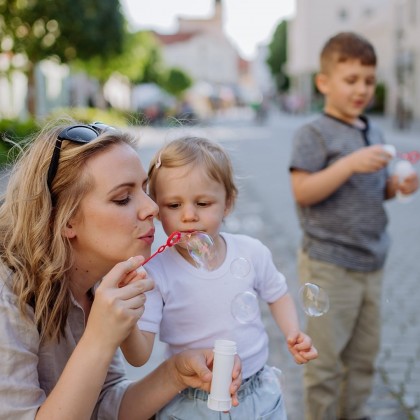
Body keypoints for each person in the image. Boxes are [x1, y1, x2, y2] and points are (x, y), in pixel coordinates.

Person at [0, 119, 242, 420]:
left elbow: (103, 405)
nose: (152, 208)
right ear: (64, 220)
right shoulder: (7, 298)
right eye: (123, 198)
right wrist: (99, 338)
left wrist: (175, 373)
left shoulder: (93, 281)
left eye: (144, 189)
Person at [120, 136, 318, 419]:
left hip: (257, 391)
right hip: (191, 399)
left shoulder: (251, 252)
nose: (188, 215)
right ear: (156, 210)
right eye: (173, 205)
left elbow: (278, 295)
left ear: (227, 203)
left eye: (202, 203)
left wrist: (292, 332)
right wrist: (125, 316)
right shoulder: (155, 273)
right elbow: (138, 356)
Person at [289, 32, 419, 420]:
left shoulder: (372, 130)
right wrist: (348, 164)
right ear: (324, 82)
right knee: (325, 365)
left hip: (371, 264)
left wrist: (398, 186)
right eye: (351, 80)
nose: (362, 89)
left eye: (368, 79)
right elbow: (303, 191)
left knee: (364, 359)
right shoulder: (313, 133)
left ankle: (355, 413)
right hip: (330, 266)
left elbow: (373, 192)